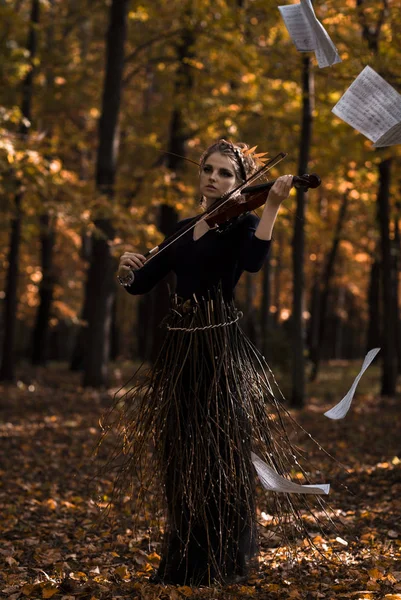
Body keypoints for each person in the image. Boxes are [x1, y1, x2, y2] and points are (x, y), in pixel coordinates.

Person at [107, 140, 319, 586]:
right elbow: (141, 283)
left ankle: (220, 559)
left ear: (240, 183)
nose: (213, 177)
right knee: (180, 454)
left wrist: (273, 207)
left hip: (218, 352)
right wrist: (124, 268)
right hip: (180, 354)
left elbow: (255, 262)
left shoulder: (241, 226)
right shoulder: (184, 229)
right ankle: (184, 556)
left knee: (219, 452)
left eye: (225, 173)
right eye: (208, 169)